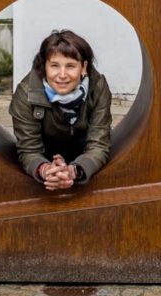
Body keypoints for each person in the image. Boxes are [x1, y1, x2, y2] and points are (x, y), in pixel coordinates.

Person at [9, 29, 113, 190]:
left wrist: (74, 171)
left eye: (70, 66)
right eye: (55, 66)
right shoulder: (26, 93)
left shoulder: (97, 87)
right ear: (44, 66)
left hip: (83, 149)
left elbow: (99, 144)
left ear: (84, 67)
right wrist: (46, 170)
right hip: (44, 151)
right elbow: (28, 149)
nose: (62, 75)